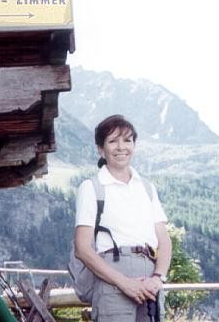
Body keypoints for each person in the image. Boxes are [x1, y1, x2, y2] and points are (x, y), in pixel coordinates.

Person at [74, 115, 172, 322]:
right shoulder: (92, 187)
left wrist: (158, 278)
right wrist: (125, 283)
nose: (121, 147)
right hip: (113, 283)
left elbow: (164, 241)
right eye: (112, 141)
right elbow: (82, 249)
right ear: (101, 149)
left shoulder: (147, 188)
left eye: (127, 140)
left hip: (150, 284)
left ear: (134, 145)